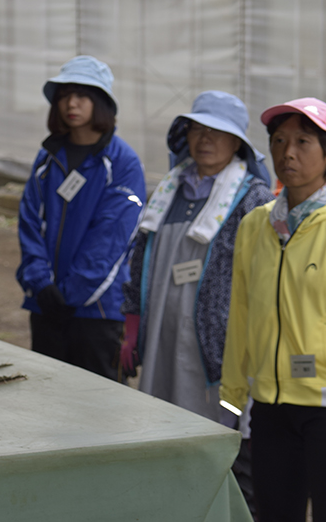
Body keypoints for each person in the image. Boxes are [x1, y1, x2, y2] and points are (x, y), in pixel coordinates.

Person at [219, 97, 326, 522]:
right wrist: (231, 406)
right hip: (270, 409)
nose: (287, 152)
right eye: (278, 140)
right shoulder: (255, 226)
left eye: (303, 141)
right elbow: (240, 319)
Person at [120, 90, 274, 418]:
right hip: (162, 332)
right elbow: (141, 256)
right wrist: (133, 321)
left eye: (218, 133)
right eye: (198, 130)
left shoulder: (252, 199)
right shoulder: (168, 190)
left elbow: (263, 280)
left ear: (237, 144)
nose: (206, 139)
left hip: (213, 349)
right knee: (159, 419)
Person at [16, 55, 146, 380]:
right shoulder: (48, 157)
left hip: (97, 312)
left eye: (82, 95)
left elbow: (113, 237)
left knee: (98, 412)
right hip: (46, 303)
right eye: (63, 95)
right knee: (48, 401)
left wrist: (69, 295)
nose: (71, 103)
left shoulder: (123, 162)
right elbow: (29, 220)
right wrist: (41, 283)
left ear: (102, 102)